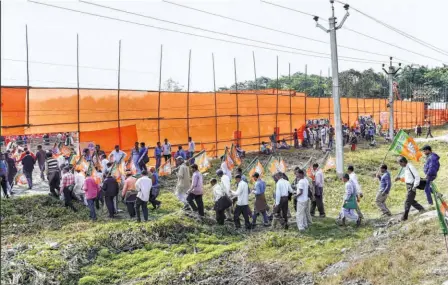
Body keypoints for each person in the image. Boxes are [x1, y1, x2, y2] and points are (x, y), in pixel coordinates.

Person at [396, 157, 425, 221]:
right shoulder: (405, 167)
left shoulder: (410, 167)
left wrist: (414, 186)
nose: (399, 164)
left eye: (399, 163)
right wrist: (399, 177)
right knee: (411, 200)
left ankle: (404, 217)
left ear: (403, 162)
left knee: (408, 201)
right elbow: (406, 174)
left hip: (412, 185)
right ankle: (421, 209)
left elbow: (417, 176)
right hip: (408, 185)